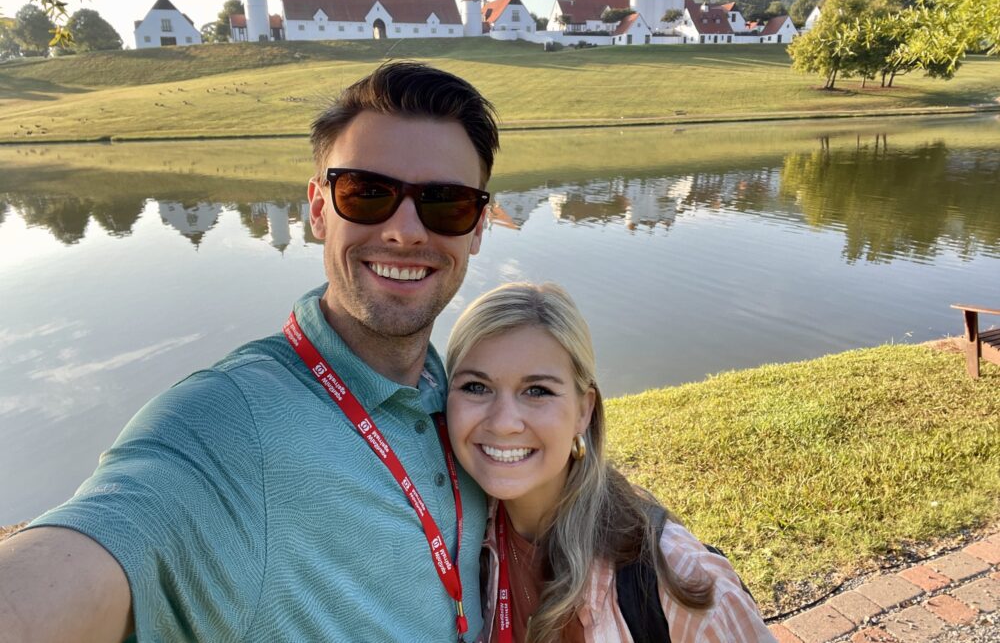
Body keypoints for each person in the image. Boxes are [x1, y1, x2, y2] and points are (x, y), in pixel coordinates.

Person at [0, 61, 500, 642]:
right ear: (318, 209)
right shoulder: (226, 423)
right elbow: (84, 555)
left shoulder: (463, 389)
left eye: (446, 202)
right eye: (367, 193)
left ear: (478, 227)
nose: (406, 231)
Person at [445, 283, 776, 643]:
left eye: (537, 390)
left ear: (583, 411)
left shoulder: (678, 579)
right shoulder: (456, 534)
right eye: (476, 387)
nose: (503, 422)